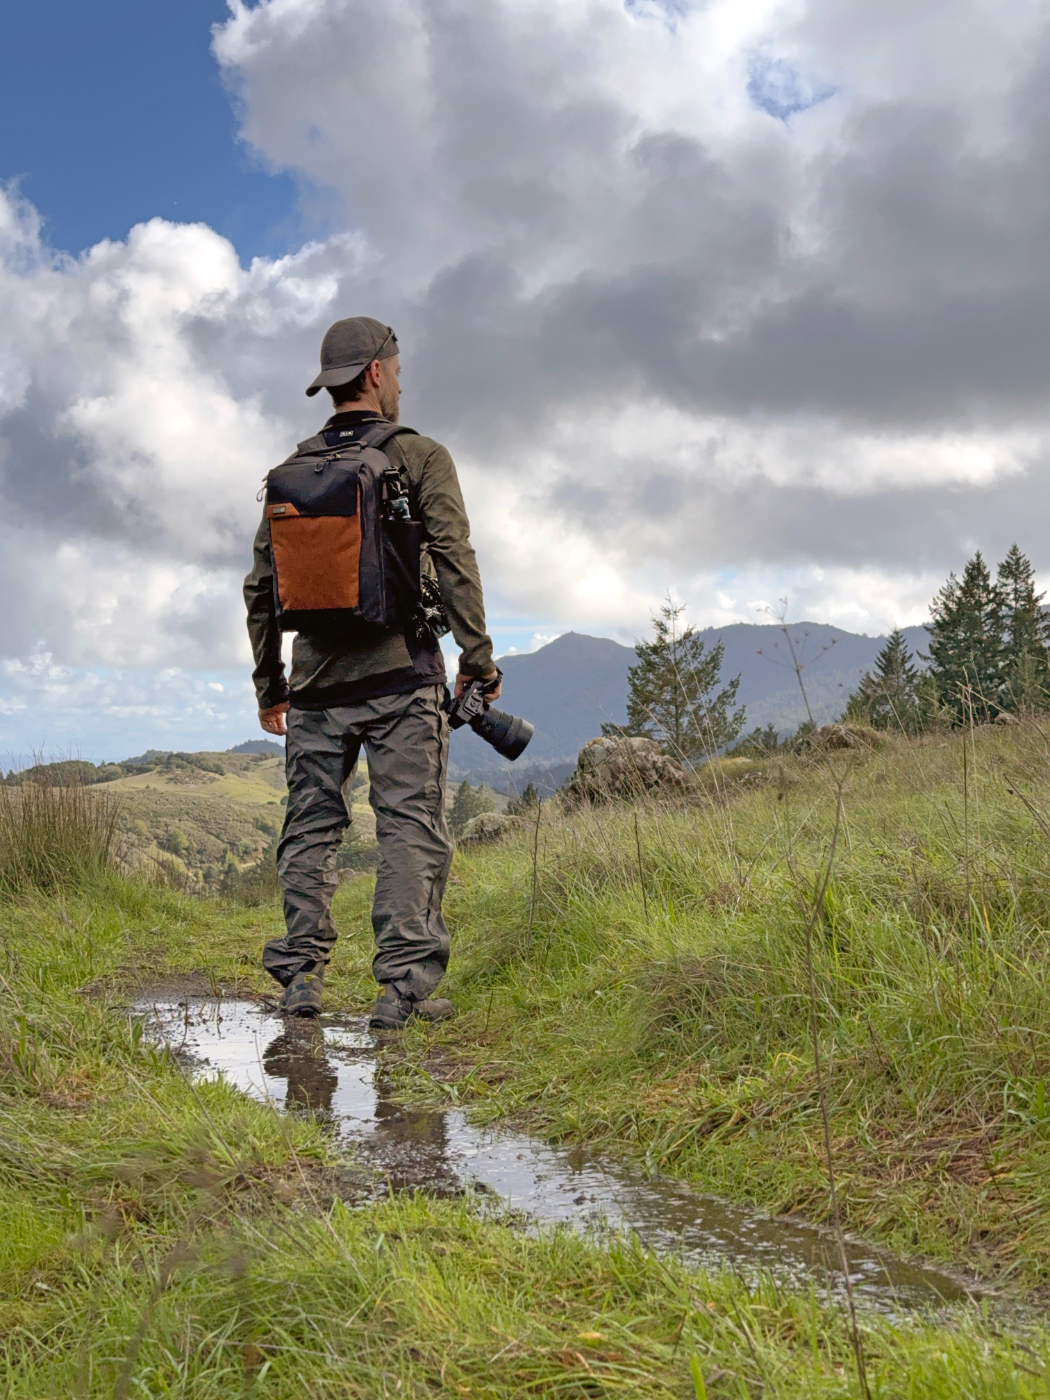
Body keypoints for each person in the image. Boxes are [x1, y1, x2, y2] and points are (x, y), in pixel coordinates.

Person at [244, 316, 499, 1027]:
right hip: (400, 681)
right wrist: (477, 661)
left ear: (333, 384)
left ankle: (301, 980)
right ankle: (401, 993)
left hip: (316, 688)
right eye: (398, 369)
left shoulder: (291, 472)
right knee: (409, 825)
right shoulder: (420, 456)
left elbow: (261, 590)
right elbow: (454, 558)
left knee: (311, 829)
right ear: (380, 373)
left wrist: (272, 687)